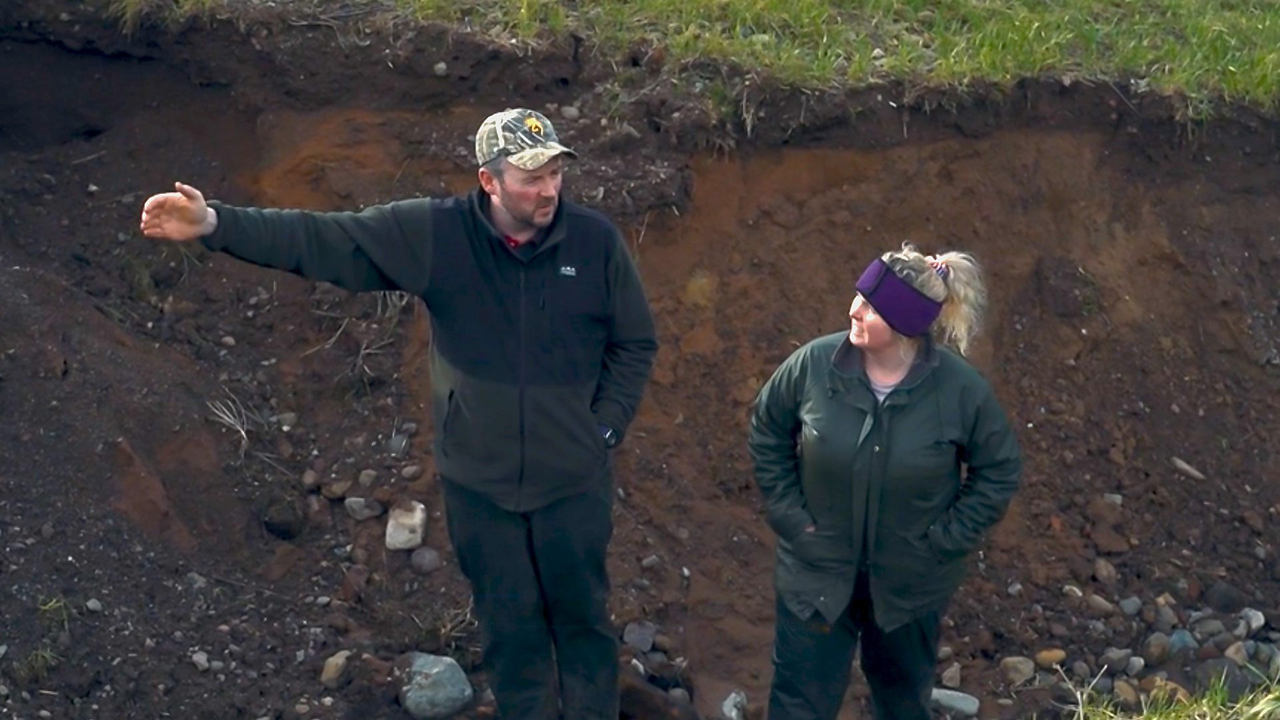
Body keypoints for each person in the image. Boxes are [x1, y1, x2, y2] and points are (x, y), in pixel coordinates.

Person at [140, 108, 658, 719]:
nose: (547, 189)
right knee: (511, 630)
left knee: (584, 625)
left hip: (573, 483)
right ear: (489, 181)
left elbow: (635, 342)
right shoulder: (437, 235)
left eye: (553, 174)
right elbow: (325, 240)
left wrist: (602, 430)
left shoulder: (594, 242)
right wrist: (216, 223)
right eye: (529, 177)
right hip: (480, 488)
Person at [748, 244, 1022, 720]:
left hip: (908, 587)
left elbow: (998, 471)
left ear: (905, 323)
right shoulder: (813, 366)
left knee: (901, 707)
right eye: (859, 295)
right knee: (797, 707)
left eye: (871, 306)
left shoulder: (960, 391)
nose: (854, 309)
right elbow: (768, 430)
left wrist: (943, 541)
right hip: (816, 576)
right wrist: (791, 517)